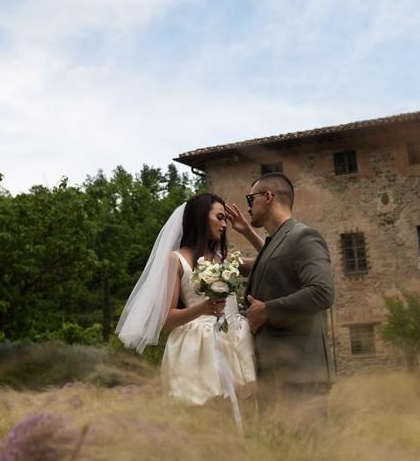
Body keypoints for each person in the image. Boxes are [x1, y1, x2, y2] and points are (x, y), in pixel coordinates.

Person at [115, 193, 260, 405]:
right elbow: (167, 319)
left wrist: (247, 231)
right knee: (209, 413)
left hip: (236, 339)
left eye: (225, 220)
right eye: (219, 218)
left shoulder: (226, 259)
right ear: (201, 218)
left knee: (245, 411)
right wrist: (203, 308)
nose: (224, 225)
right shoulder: (177, 260)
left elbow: (271, 259)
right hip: (199, 346)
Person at [225, 172, 334, 411]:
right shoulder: (278, 240)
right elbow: (274, 260)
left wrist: (267, 311)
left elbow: (322, 292)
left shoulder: (305, 237)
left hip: (300, 376)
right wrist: (246, 232)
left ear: (268, 196)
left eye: (250, 199)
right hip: (275, 377)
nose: (248, 207)